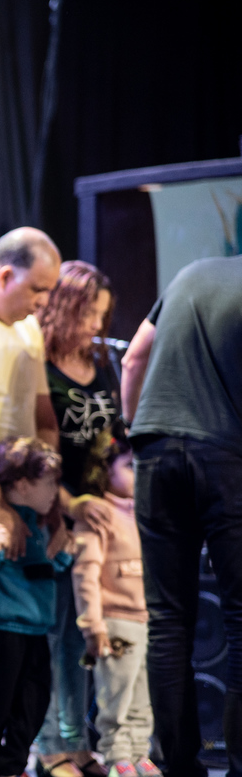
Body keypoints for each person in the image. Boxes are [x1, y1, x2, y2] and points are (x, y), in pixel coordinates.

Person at [119, 254, 242, 776]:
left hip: (155, 449)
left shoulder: (192, 273)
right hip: (226, 455)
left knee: (168, 620)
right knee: (240, 620)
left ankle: (177, 767)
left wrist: (133, 427)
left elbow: (134, 359)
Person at [35, 261, 120, 777]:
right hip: (54, 514)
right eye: (89, 313)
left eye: (102, 316)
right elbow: (33, 446)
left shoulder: (101, 362)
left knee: (81, 634)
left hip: (98, 520)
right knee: (52, 632)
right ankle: (49, 748)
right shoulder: (39, 363)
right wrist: (65, 505)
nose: (95, 325)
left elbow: (112, 439)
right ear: (65, 306)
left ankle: (77, 740)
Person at [0, 437, 72, 777]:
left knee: (35, 702)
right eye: (50, 483)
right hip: (3, 630)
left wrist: (64, 556)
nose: (55, 492)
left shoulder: (39, 523)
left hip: (36, 629)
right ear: (22, 484)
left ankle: (11, 767)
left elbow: (41, 570)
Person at [0, 228, 62, 559]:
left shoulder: (29, 326)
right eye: (38, 289)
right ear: (5, 276)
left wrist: (48, 492)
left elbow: (44, 418)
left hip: (25, 500)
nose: (44, 302)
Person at [71, 426, 157, 777]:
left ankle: (139, 751)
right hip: (115, 621)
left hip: (145, 618)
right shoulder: (97, 514)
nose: (137, 473)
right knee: (116, 693)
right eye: (128, 466)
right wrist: (92, 625)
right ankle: (117, 754)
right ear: (106, 468)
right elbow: (85, 574)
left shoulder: (143, 512)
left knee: (142, 693)